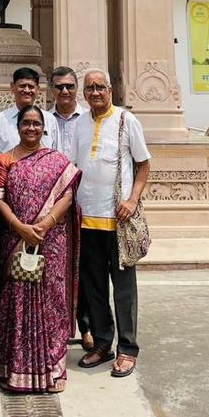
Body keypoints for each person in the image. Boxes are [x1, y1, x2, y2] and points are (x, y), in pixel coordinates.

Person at [0, 105, 81, 393]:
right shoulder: (4, 161)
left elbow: (67, 195)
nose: (31, 128)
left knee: (50, 301)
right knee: (14, 300)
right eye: (26, 123)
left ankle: (51, 368)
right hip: (14, 240)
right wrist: (20, 227)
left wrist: (46, 224)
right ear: (18, 127)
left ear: (44, 128)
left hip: (50, 241)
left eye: (36, 124)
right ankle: (12, 367)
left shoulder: (58, 161)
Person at [72, 70, 150, 379]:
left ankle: (127, 349)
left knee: (124, 290)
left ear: (111, 90)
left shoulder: (126, 121)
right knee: (93, 288)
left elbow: (144, 164)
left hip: (119, 220)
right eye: (89, 88)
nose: (94, 93)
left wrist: (131, 200)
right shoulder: (80, 122)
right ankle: (102, 343)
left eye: (99, 87)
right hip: (86, 219)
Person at [49, 65, 91, 352]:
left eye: (69, 86)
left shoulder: (89, 120)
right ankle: (54, 327)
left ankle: (87, 326)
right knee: (52, 270)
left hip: (84, 201)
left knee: (85, 267)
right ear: (52, 90)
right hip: (51, 204)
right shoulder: (42, 120)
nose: (65, 91)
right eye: (59, 87)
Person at [0, 66, 58, 162]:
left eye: (31, 87)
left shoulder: (49, 119)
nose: (27, 90)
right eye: (22, 86)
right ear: (12, 87)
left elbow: (57, 158)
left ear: (38, 89)